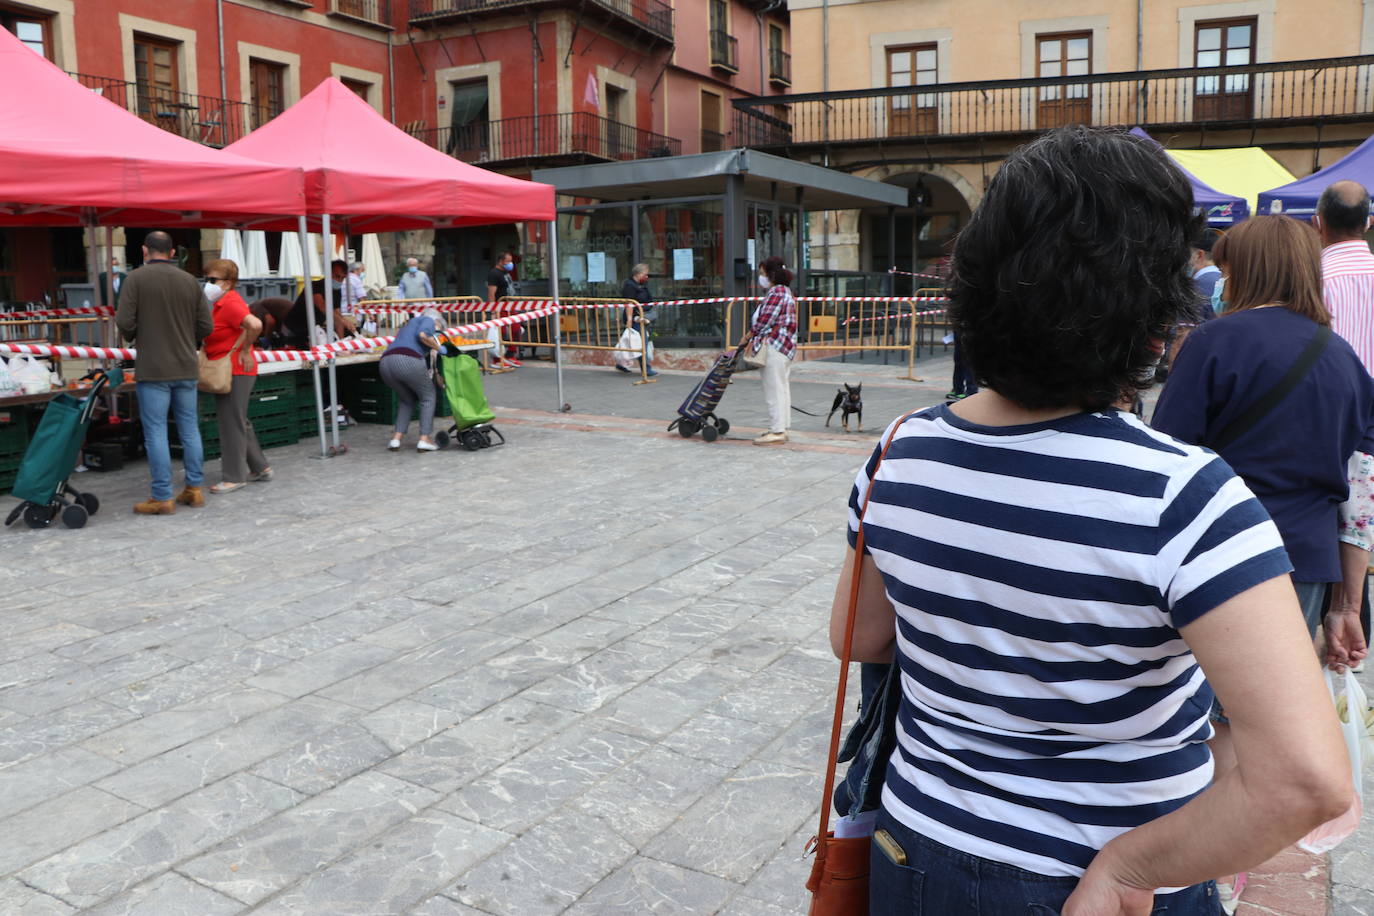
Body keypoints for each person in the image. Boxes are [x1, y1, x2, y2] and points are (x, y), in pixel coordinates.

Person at [834, 128, 1352, 916]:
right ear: (1154, 310)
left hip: (917, 849)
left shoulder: (901, 450)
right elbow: (1305, 780)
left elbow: (857, 637)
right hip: (1097, 881)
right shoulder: (1185, 496)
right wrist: (1134, 871)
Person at [115, 230, 213, 515]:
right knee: (189, 428)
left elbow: (124, 322)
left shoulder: (135, 279)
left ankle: (162, 496)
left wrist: (136, 334)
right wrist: (186, 335)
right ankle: (194, 489)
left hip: (154, 367)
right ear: (172, 253)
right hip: (186, 364)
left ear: (145, 251)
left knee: (156, 431)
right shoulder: (189, 281)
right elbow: (206, 327)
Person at [1316, 180, 1374, 660]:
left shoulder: (1313, 278)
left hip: (1323, 408)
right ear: (1369, 222)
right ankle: (1354, 644)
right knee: (1359, 524)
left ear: (1319, 222)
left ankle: (1332, 637)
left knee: (1326, 517)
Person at [199, 259, 270, 494]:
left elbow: (255, 324)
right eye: (207, 279)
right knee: (238, 419)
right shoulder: (224, 303)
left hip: (235, 369)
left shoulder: (229, 303)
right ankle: (260, 467)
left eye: (213, 280)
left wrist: (247, 349)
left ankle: (234, 476)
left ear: (228, 283)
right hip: (234, 368)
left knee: (231, 422)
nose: (208, 284)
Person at [742, 255, 797, 445]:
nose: (761, 277)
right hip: (784, 347)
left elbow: (765, 320)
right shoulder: (786, 291)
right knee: (781, 388)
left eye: (762, 273)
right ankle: (782, 426)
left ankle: (777, 431)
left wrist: (748, 336)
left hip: (774, 346)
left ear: (771, 274)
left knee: (774, 390)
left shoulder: (776, 293)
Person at [379, 308, 444, 452]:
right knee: (428, 397)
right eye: (439, 327)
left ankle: (396, 439)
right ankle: (424, 439)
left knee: (407, 400)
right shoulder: (427, 320)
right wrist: (439, 347)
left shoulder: (408, 325)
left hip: (385, 363)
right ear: (437, 320)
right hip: (407, 360)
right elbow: (422, 335)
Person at [619, 263, 658, 378]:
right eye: (645, 274)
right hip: (636, 318)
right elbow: (630, 303)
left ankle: (620, 363)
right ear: (639, 274)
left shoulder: (640, 285)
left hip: (642, 317)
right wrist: (630, 320)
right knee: (642, 343)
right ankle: (646, 369)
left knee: (629, 341)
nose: (647, 277)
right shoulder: (630, 286)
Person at [486, 251, 521, 368]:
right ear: (501, 261)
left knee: (516, 329)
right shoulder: (494, 274)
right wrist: (493, 310)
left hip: (510, 306)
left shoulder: (506, 272)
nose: (510, 264)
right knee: (499, 333)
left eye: (511, 261)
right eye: (508, 261)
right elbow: (491, 294)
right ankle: (497, 358)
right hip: (500, 307)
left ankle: (511, 355)